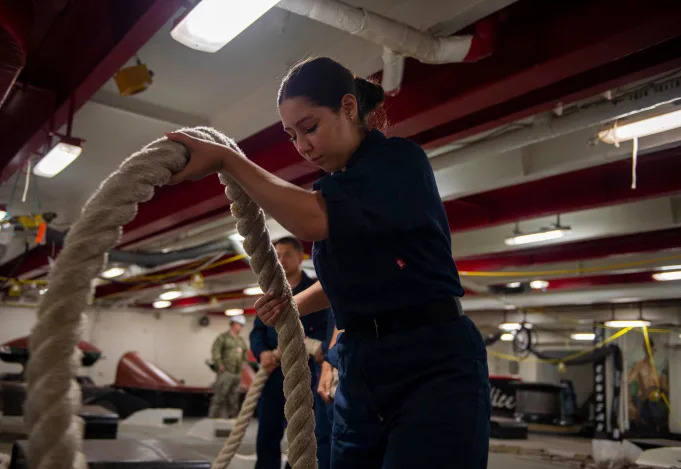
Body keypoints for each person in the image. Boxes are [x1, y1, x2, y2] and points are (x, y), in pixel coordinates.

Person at [165, 56, 490, 469]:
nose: (302, 146)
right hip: (361, 362)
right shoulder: (336, 186)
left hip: (431, 362)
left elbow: (311, 221)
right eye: (291, 135)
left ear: (349, 108)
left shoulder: (398, 163)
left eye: (310, 127)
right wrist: (294, 304)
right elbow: (353, 277)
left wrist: (230, 161)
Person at [250, 236, 331, 469]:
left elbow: (328, 327)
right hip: (274, 373)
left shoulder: (317, 291)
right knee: (267, 431)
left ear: (301, 257)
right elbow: (257, 332)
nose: (281, 260)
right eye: (277, 255)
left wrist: (320, 349)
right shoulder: (271, 293)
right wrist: (262, 353)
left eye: (286, 254)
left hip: (305, 372)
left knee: (302, 432)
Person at [209, 315, 248, 419]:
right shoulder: (223, 338)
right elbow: (215, 351)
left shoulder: (240, 340)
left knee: (234, 397)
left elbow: (245, 352)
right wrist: (219, 364)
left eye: (242, 325)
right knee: (220, 396)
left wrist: (243, 363)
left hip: (237, 373)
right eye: (239, 325)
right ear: (233, 324)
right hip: (226, 371)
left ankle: (232, 419)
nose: (240, 327)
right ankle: (213, 417)